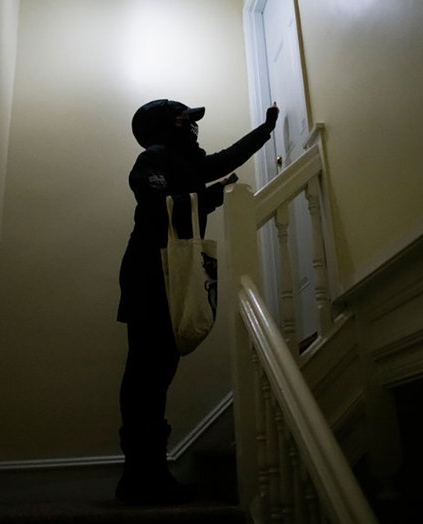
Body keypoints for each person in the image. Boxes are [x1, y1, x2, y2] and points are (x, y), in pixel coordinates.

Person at [116, 99, 279, 505]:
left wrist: (267, 129)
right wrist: (210, 196)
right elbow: (156, 204)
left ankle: (146, 475)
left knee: (159, 369)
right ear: (164, 125)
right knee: (147, 371)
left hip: (168, 272)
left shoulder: (182, 162)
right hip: (151, 272)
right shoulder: (152, 159)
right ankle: (141, 478)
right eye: (185, 119)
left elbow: (226, 158)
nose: (193, 127)